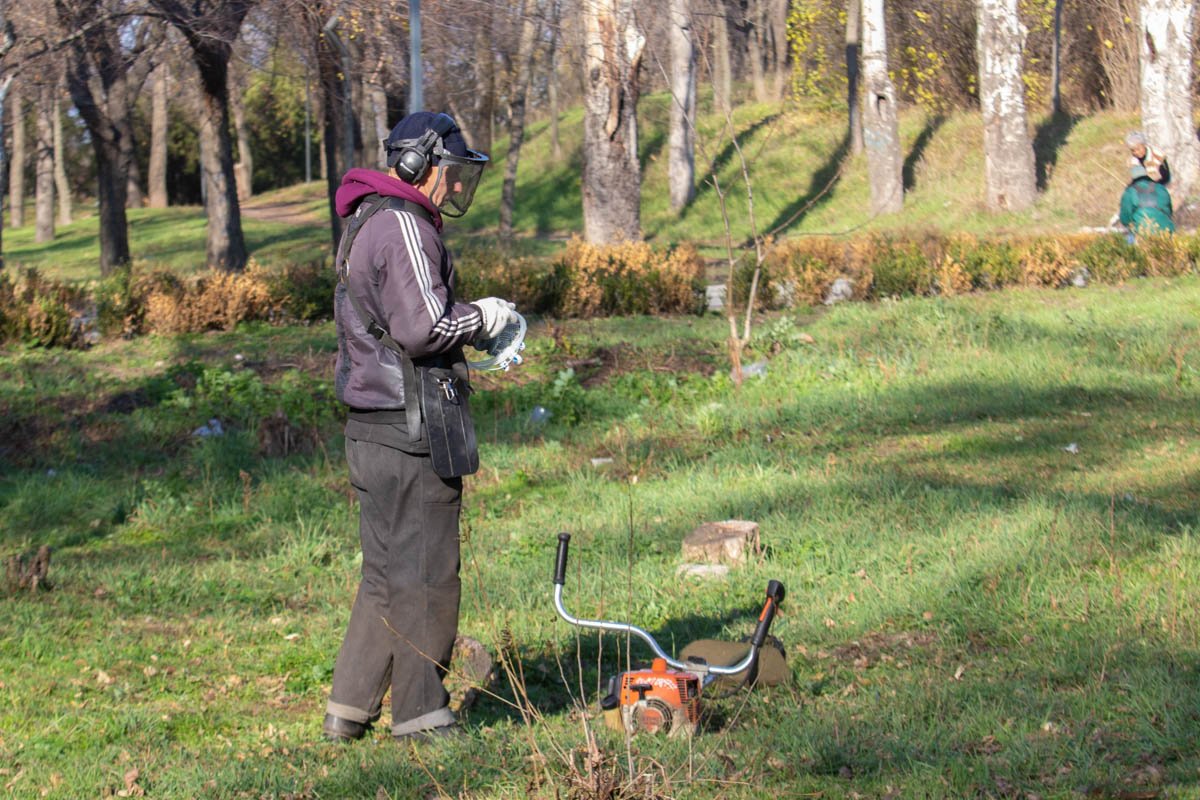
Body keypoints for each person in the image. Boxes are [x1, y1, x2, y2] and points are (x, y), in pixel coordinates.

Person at [323, 111, 515, 743]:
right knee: (428, 573)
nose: (455, 188)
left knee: (384, 574)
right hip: (411, 430)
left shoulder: (364, 219)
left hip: (368, 427)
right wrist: (485, 317)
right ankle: (421, 716)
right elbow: (424, 327)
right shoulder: (405, 223)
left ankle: (348, 709)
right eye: (450, 174)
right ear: (417, 165)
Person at [1119, 164, 1175, 242]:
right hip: (1166, 233)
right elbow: (1169, 212)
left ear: (1133, 178)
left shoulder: (1129, 192)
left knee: (1128, 241)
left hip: (1141, 235)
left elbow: (1125, 219)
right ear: (1146, 175)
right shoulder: (1161, 188)